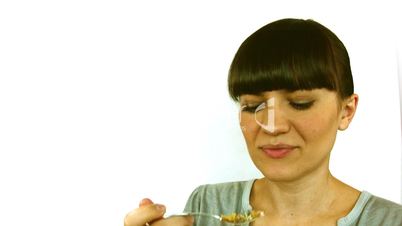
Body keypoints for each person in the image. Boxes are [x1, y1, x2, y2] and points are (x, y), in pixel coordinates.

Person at [124, 18, 402, 226]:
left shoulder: (388, 220)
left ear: (346, 111)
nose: (272, 125)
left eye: (300, 103)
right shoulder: (208, 207)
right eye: (253, 106)